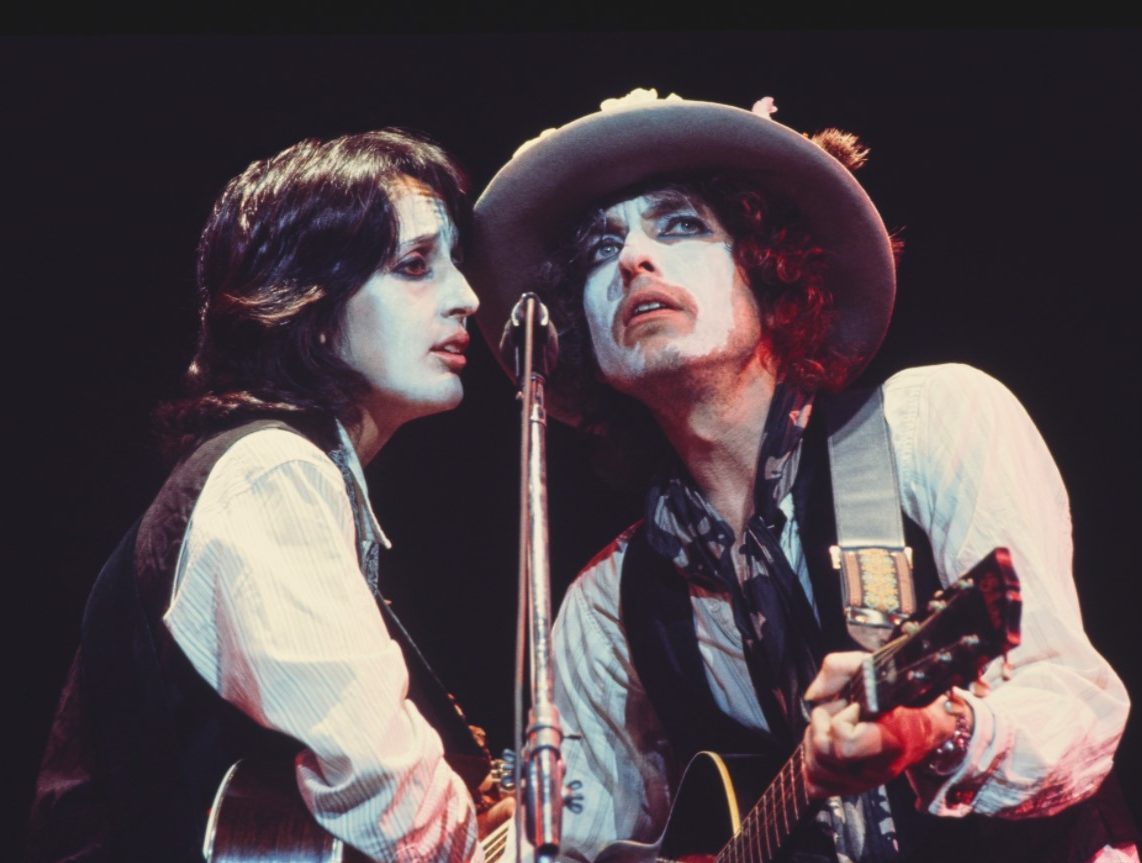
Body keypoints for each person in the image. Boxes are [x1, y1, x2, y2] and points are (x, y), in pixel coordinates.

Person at [466, 90, 1137, 862]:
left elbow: (1075, 707)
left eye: (680, 225)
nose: (632, 259)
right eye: (597, 250)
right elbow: (573, 841)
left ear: (768, 262)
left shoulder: (935, 424)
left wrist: (937, 730)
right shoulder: (603, 607)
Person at [28, 129, 508, 862]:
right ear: (308, 305)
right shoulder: (273, 472)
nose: (467, 298)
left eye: (456, 265)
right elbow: (393, 795)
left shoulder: (282, 473)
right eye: (415, 266)